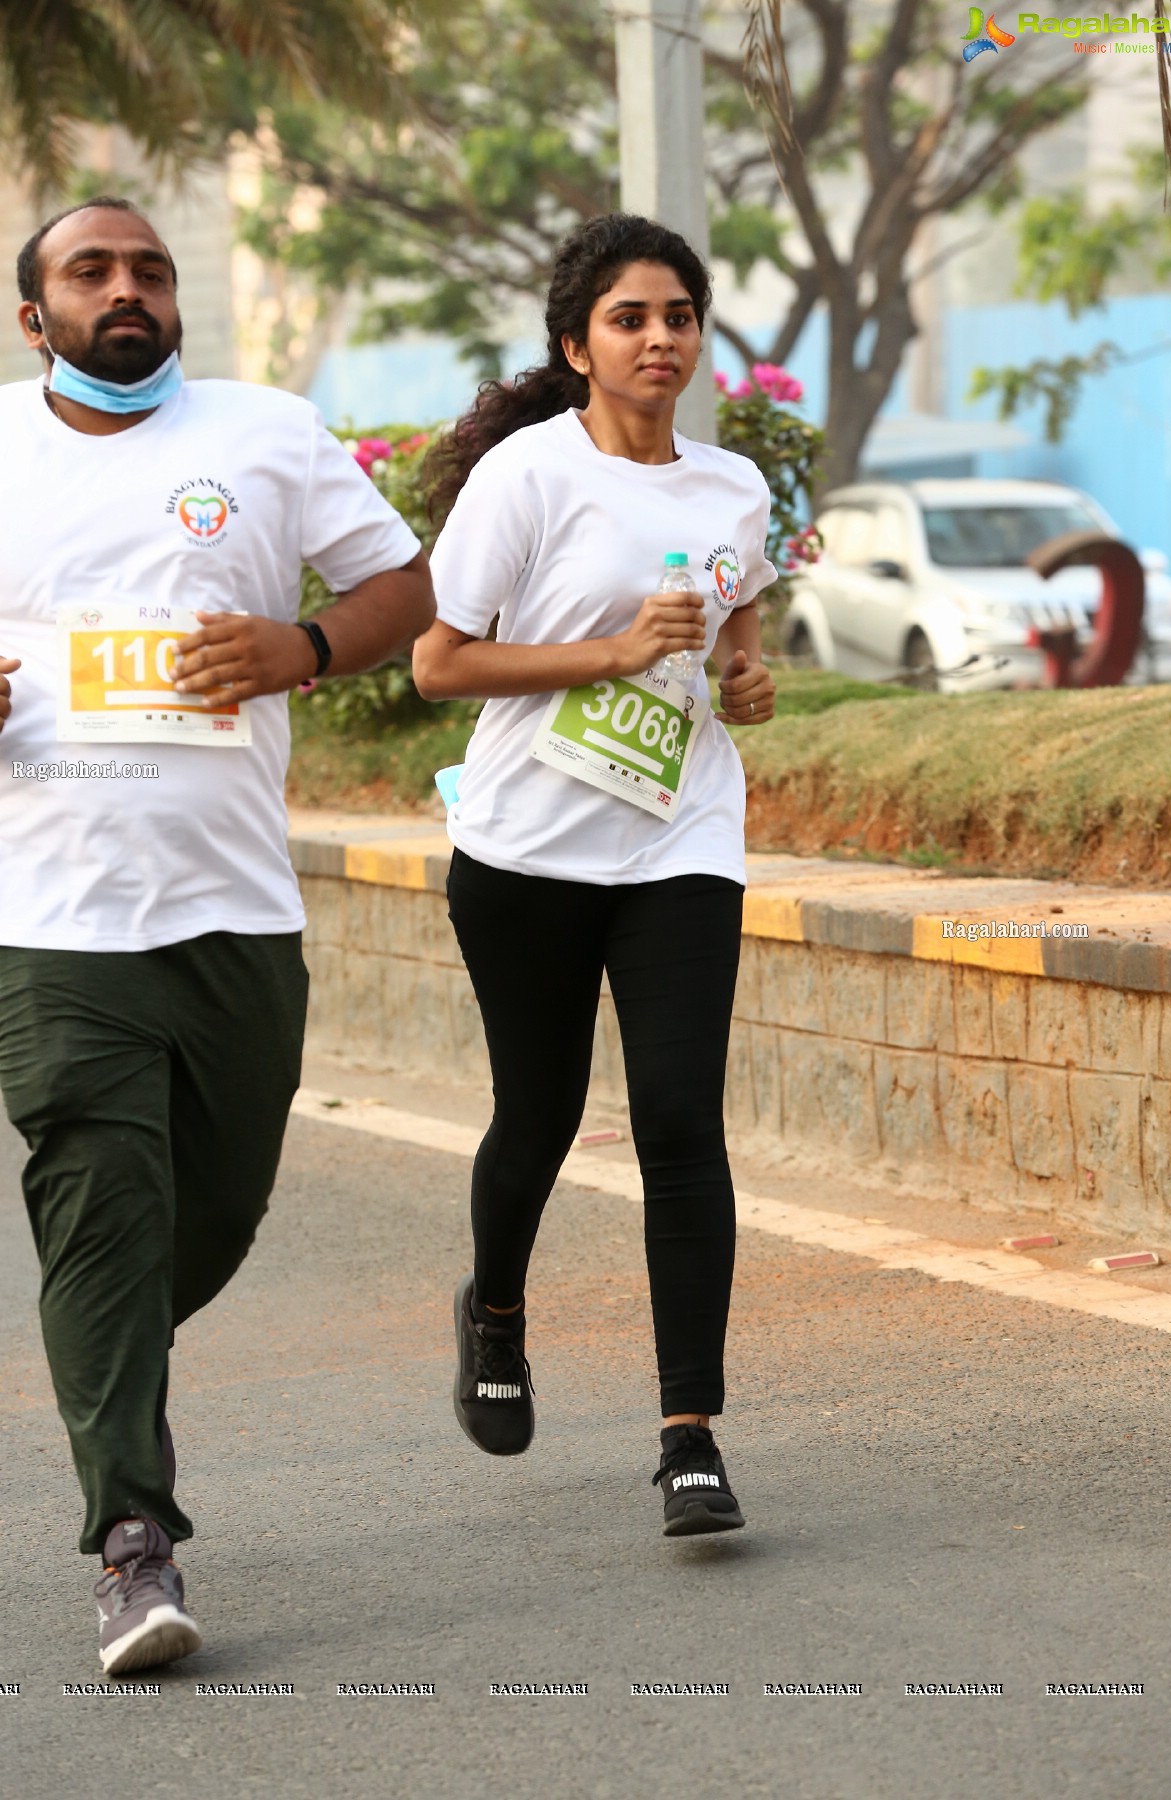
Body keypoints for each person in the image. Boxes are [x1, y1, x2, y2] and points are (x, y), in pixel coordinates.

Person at [0, 197, 434, 1674]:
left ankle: (100, 1343)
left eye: (151, 271)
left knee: (213, 1214)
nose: (128, 290)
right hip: (50, 917)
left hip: (237, 909)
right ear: (31, 312)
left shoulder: (265, 432)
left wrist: (302, 648)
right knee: (98, 1183)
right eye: (91, 270)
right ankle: (134, 1542)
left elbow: (406, 589)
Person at [413, 212, 777, 1537]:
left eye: (678, 315)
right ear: (578, 344)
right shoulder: (528, 477)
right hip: (526, 853)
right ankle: (495, 1306)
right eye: (630, 318)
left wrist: (745, 672)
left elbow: (739, 624)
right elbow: (439, 664)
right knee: (540, 1116)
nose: (659, 338)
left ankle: (690, 1436)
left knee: (682, 1124)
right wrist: (611, 654)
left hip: (681, 840)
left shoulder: (736, 488)